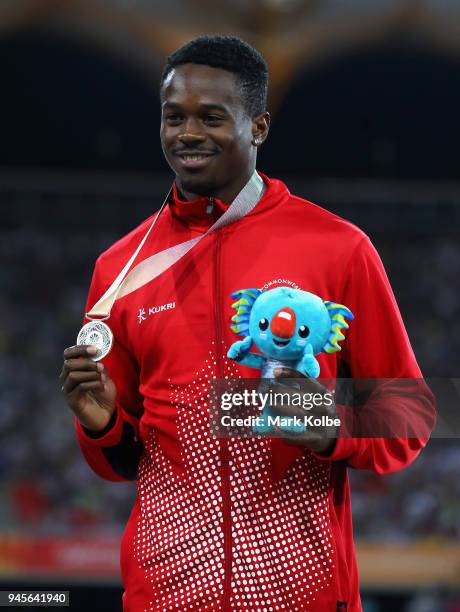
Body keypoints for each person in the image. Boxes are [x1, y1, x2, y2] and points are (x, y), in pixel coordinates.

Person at [60, 36, 435, 611]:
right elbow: (121, 461)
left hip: (305, 595)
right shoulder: (120, 268)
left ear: (258, 126)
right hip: (163, 596)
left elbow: (412, 413)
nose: (188, 133)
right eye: (173, 117)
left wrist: (329, 422)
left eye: (212, 117)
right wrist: (103, 423)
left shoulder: (338, 247)